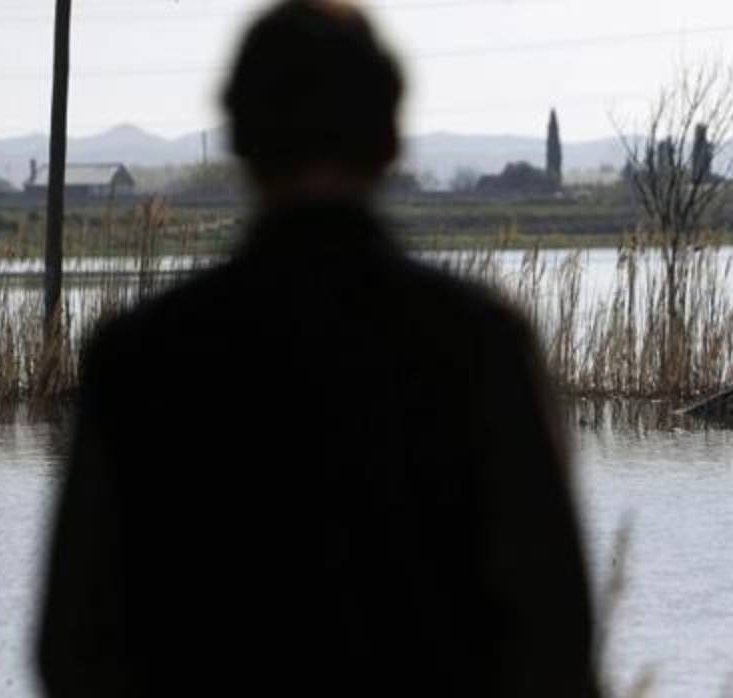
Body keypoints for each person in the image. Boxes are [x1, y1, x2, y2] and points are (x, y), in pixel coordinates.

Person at [36, 2, 600, 695]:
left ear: (240, 139)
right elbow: (556, 638)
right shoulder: (481, 344)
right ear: (392, 140)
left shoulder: (141, 356)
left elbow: (73, 649)